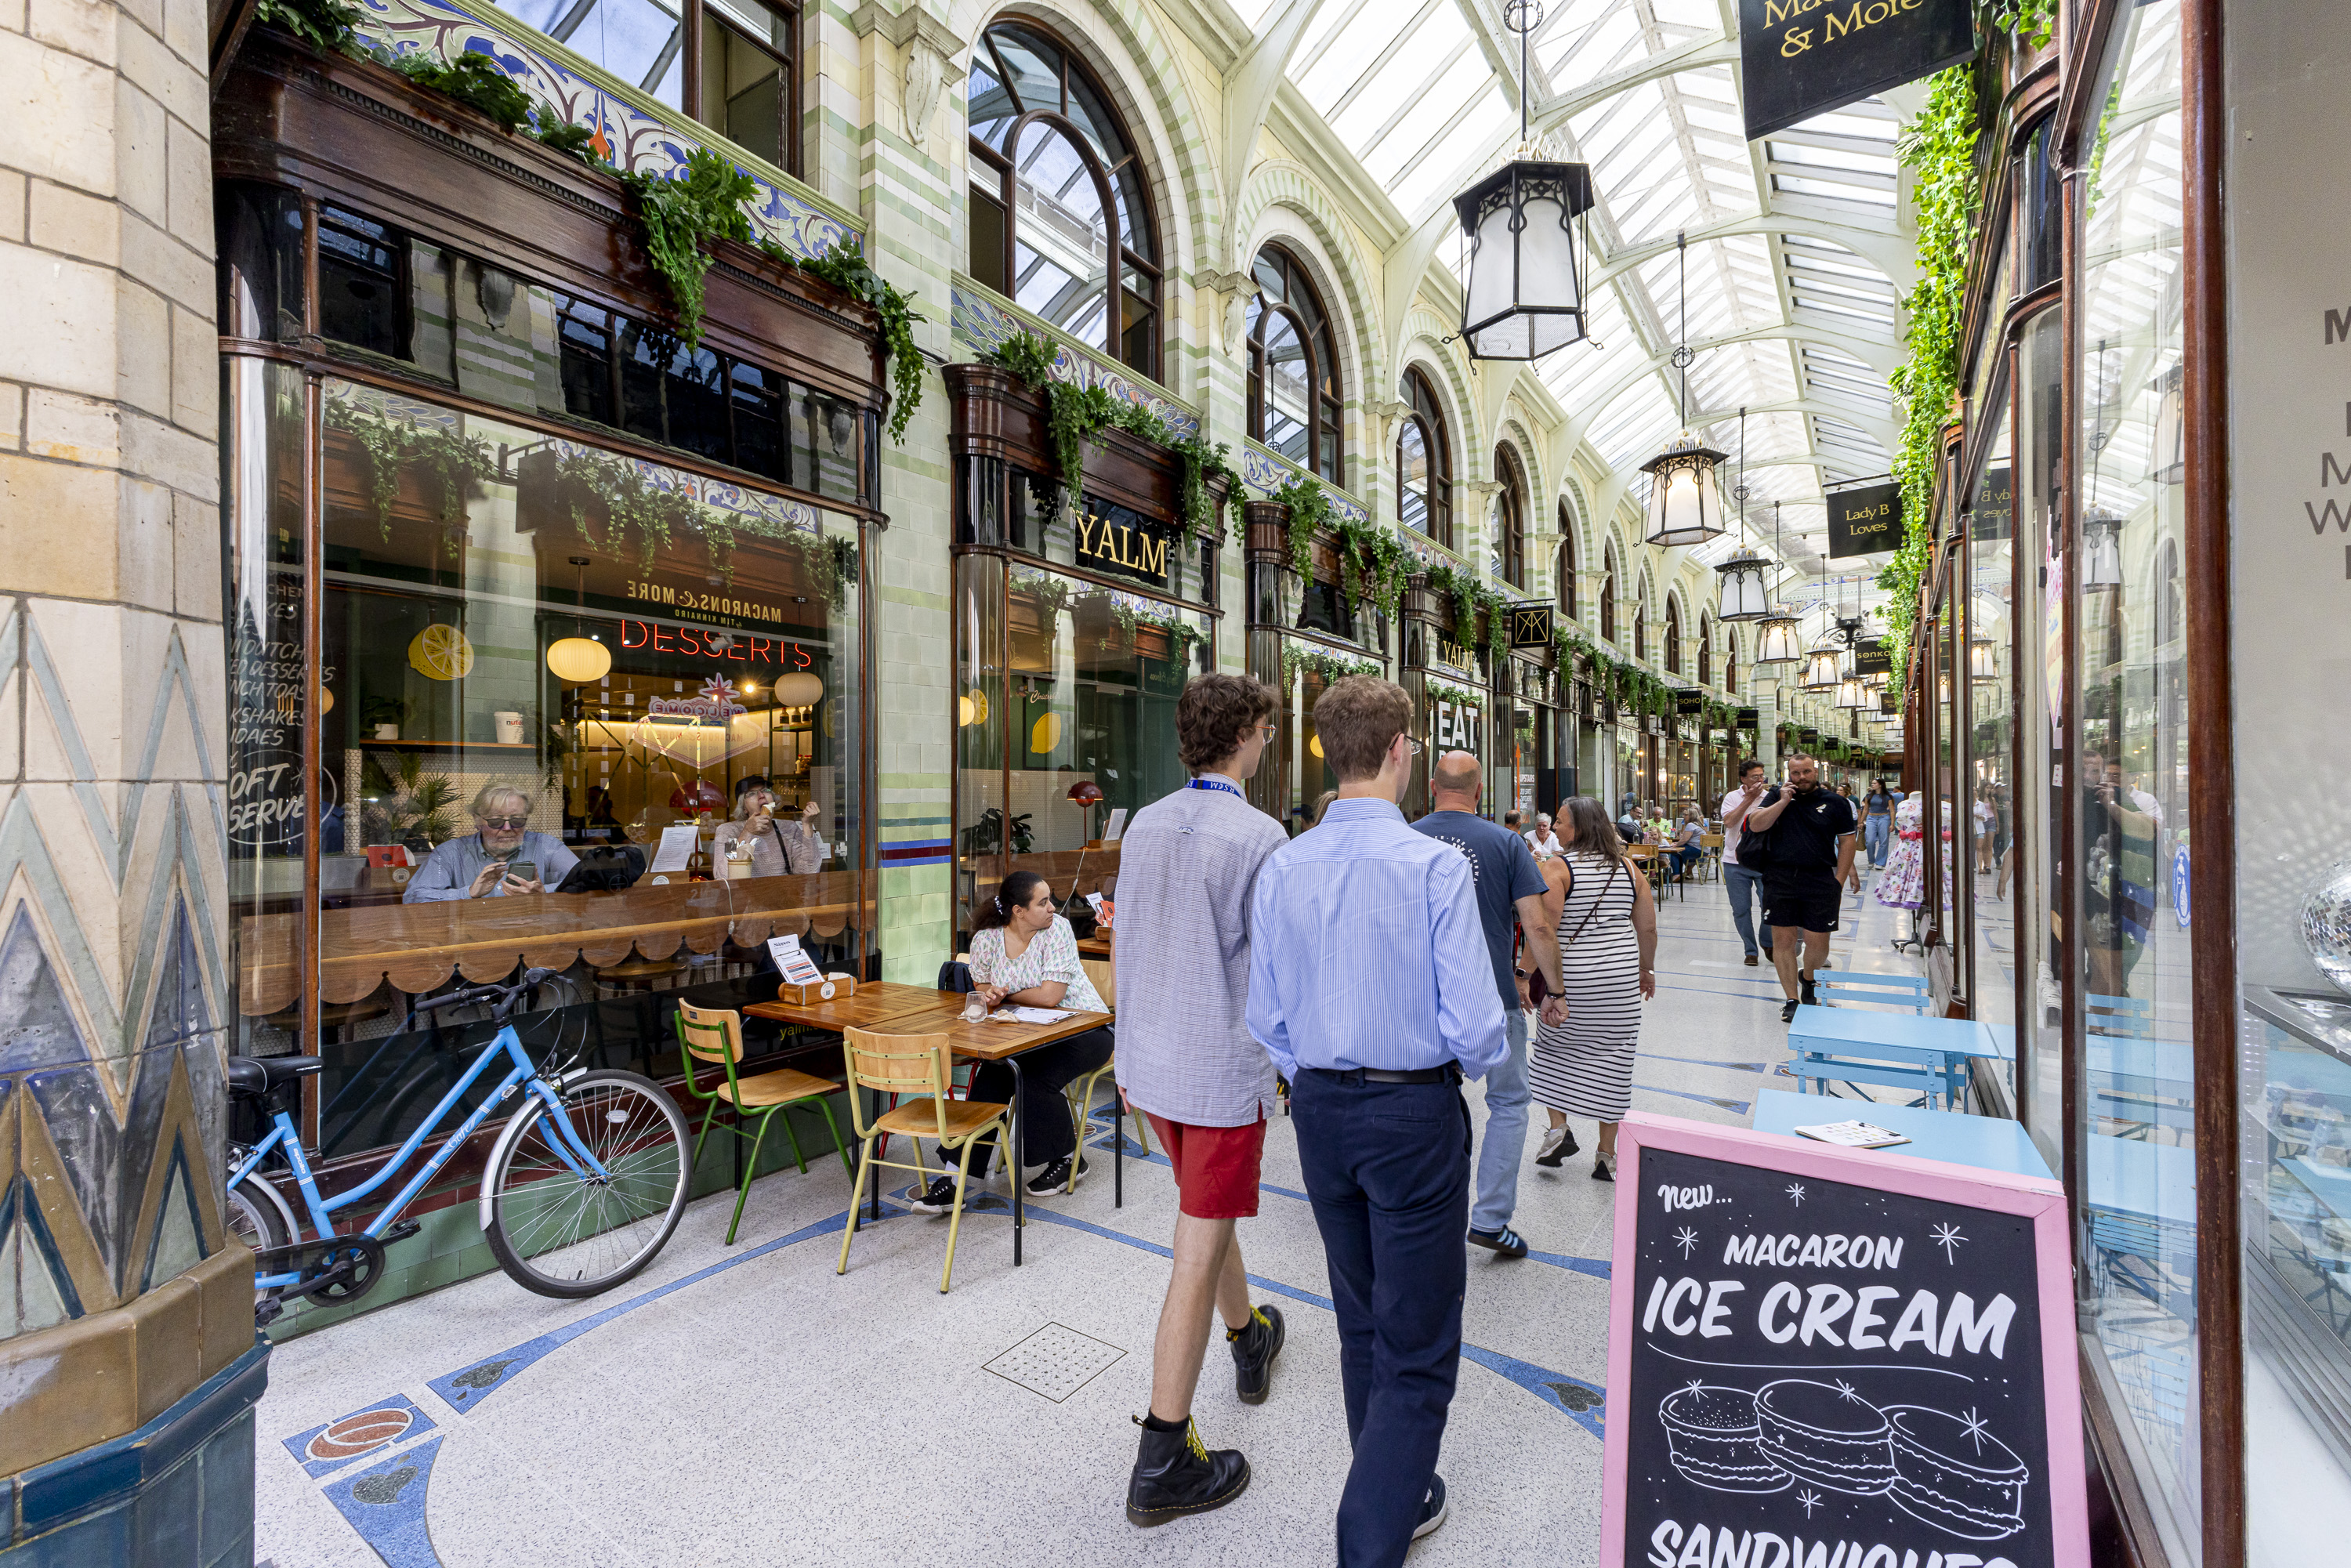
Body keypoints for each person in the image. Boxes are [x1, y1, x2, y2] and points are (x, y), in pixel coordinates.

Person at [1247, 675, 1525, 1563]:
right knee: (1419, 1338)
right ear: (1401, 752)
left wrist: (1322, 1074)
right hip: (1412, 1110)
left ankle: (1393, 1478)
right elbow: (1480, 1027)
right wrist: (1433, 1070)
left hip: (1322, 1112)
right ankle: (1370, 1535)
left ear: (1328, 752)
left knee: (1361, 1311)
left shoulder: (1284, 864)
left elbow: (1268, 1016)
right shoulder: (1433, 865)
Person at [1116, 674, 1290, 1530]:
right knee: (1195, 1245)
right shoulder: (1260, 836)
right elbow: (1273, 970)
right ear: (1249, 735)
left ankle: (1249, 1335)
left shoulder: (1144, 823)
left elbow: (1131, 942)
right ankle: (1163, 1453)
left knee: (1202, 1217)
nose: (1268, 741)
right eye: (1266, 729)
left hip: (1151, 1062)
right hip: (1219, 1071)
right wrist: (1286, 1068)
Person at [1411, 751, 1562, 1260]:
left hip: (1417, 1003)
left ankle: (1424, 1214)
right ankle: (1491, 1219)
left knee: (1424, 1101)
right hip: (1491, 998)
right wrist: (1552, 990)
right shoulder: (1505, 842)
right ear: (1479, 793)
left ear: (1433, 786)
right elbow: (1538, 926)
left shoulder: (1407, 837)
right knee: (1509, 1102)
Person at [911, 871, 1113, 1208]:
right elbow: (980, 987)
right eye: (1043, 902)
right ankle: (953, 1179)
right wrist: (989, 994)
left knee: (1033, 1076)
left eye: (1051, 900)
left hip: (1086, 1029)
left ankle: (1066, 1162)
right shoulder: (987, 941)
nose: (1053, 908)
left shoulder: (1057, 931)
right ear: (1018, 911)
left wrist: (1007, 997)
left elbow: (1051, 997)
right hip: (1026, 1035)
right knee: (994, 1071)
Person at [1527, 797, 1656, 1181]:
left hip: (1571, 981)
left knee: (1553, 1051)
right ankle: (1606, 1154)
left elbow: (1544, 929)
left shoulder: (1559, 867)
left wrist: (1524, 974)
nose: (1557, 829)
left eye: (1563, 822)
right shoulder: (1630, 869)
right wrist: (1646, 970)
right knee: (1616, 1059)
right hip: (1618, 982)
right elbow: (1647, 928)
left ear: (1580, 828)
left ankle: (1557, 1131)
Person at [1741, 752, 1860, 1023]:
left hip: (1820, 878)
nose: (1801, 778)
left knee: (1817, 941)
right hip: (1780, 878)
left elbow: (1847, 843)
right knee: (1782, 941)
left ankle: (1808, 978)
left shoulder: (1836, 803)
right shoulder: (1776, 797)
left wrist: (1839, 881)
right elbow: (1756, 825)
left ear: (1815, 772)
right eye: (1796, 773)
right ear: (1788, 773)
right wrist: (1783, 801)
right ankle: (1792, 999)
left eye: (1806, 772)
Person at [403, 784, 579, 902]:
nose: (508, 828)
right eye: (496, 821)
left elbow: (586, 881)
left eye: (517, 820)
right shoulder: (450, 853)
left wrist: (543, 893)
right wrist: (469, 893)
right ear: (477, 820)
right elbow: (414, 897)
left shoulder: (546, 846)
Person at [1720, 760, 1774, 967]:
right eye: (1755, 777)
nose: (1760, 780)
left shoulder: (1770, 797)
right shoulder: (1732, 797)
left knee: (1769, 905)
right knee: (1741, 909)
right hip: (1734, 862)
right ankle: (1750, 950)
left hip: (1764, 862)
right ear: (1743, 779)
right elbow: (1729, 822)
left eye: (1762, 776)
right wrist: (1748, 799)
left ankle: (1767, 943)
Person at [712, 776, 824, 875]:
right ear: (744, 808)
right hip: (745, 896)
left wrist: (807, 825)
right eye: (751, 793)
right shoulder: (729, 831)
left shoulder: (788, 828)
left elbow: (809, 872)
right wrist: (747, 832)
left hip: (785, 895)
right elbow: (723, 876)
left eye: (766, 790)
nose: (761, 796)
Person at [1862, 777, 1896, 869]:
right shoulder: (1868, 796)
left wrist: (1893, 824)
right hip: (1871, 817)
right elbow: (1865, 809)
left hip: (1884, 817)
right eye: (1872, 783)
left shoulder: (1888, 797)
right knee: (1870, 840)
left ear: (1880, 785)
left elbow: (1892, 810)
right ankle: (1871, 860)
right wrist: (1861, 821)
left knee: (1883, 840)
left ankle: (1880, 862)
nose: (1872, 785)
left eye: (1874, 783)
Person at [1668, 807, 1705, 882]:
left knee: (1673, 853)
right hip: (1703, 849)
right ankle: (1680, 874)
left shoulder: (1691, 825)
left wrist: (1676, 845)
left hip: (1696, 849)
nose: (1683, 816)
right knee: (1680, 854)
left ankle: (1677, 874)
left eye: (1685, 815)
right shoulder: (1697, 824)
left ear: (1691, 816)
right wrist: (1678, 843)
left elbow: (1684, 840)